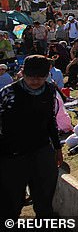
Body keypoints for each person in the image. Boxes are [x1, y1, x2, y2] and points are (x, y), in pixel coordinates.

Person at [0, 55, 63, 220]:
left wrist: (57, 148)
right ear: (22, 73)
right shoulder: (8, 93)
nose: (35, 81)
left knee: (44, 193)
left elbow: (51, 120)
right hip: (12, 152)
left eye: (40, 77)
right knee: (12, 198)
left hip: (41, 147)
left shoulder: (49, 90)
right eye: (30, 77)